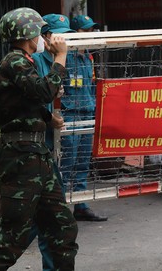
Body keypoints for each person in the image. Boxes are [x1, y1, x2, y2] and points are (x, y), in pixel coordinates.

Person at [0, 7, 78, 270]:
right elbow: (43, 92)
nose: (44, 38)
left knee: (62, 227)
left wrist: (49, 120)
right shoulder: (14, 61)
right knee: (14, 235)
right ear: (29, 35)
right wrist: (60, 57)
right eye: (40, 33)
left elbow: (22, 104)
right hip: (20, 158)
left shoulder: (24, 61)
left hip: (36, 155)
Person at [29, 14, 75, 271]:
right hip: (38, 148)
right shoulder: (34, 63)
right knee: (44, 219)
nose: (62, 39)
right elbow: (33, 100)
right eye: (57, 34)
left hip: (57, 145)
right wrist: (49, 119)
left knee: (50, 218)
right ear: (45, 37)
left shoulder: (71, 59)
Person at [60, 15, 107, 221]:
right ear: (75, 33)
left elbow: (90, 86)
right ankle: (59, 208)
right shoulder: (65, 57)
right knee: (66, 164)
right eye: (85, 31)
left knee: (82, 164)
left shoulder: (88, 56)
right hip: (69, 115)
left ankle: (81, 205)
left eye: (91, 31)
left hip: (88, 113)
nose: (89, 35)